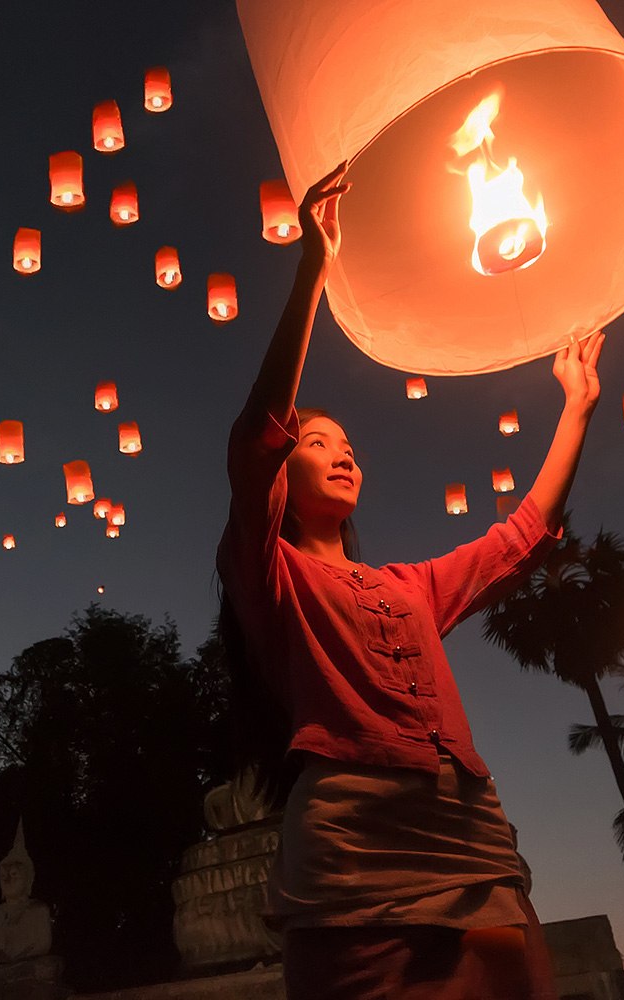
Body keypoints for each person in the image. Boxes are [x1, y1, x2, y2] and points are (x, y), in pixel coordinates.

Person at [216, 162, 604, 1000]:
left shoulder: (412, 585)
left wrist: (576, 407)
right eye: (318, 442)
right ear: (287, 466)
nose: (343, 450)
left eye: (348, 441)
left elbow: (522, 538)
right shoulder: (266, 572)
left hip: (468, 829)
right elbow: (255, 440)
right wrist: (312, 269)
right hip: (354, 842)